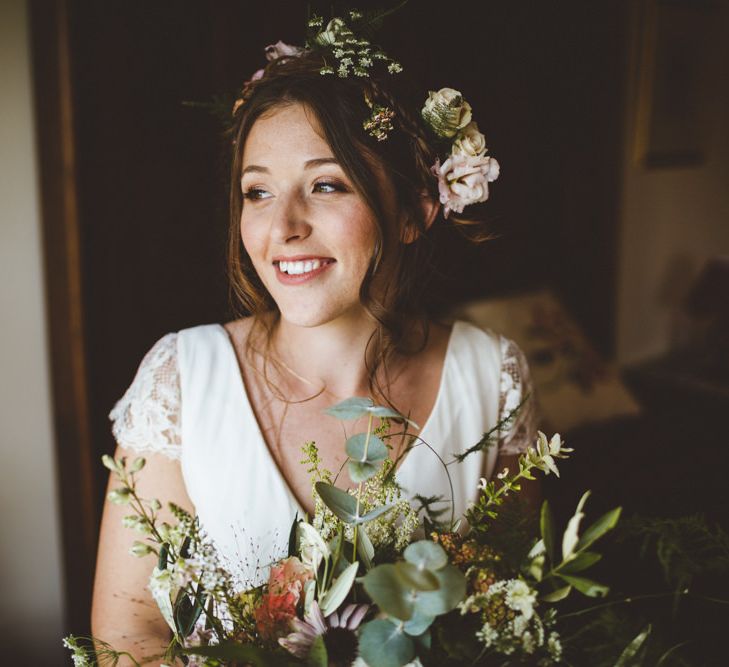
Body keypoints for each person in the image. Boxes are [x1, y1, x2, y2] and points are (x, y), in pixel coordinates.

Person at [90, 29, 538, 666]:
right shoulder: (182, 381)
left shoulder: (492, 377)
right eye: (258, 192)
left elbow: (512, 616)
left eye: (326, 185)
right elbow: (124, 638)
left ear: (415, 209)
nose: (282, 228)